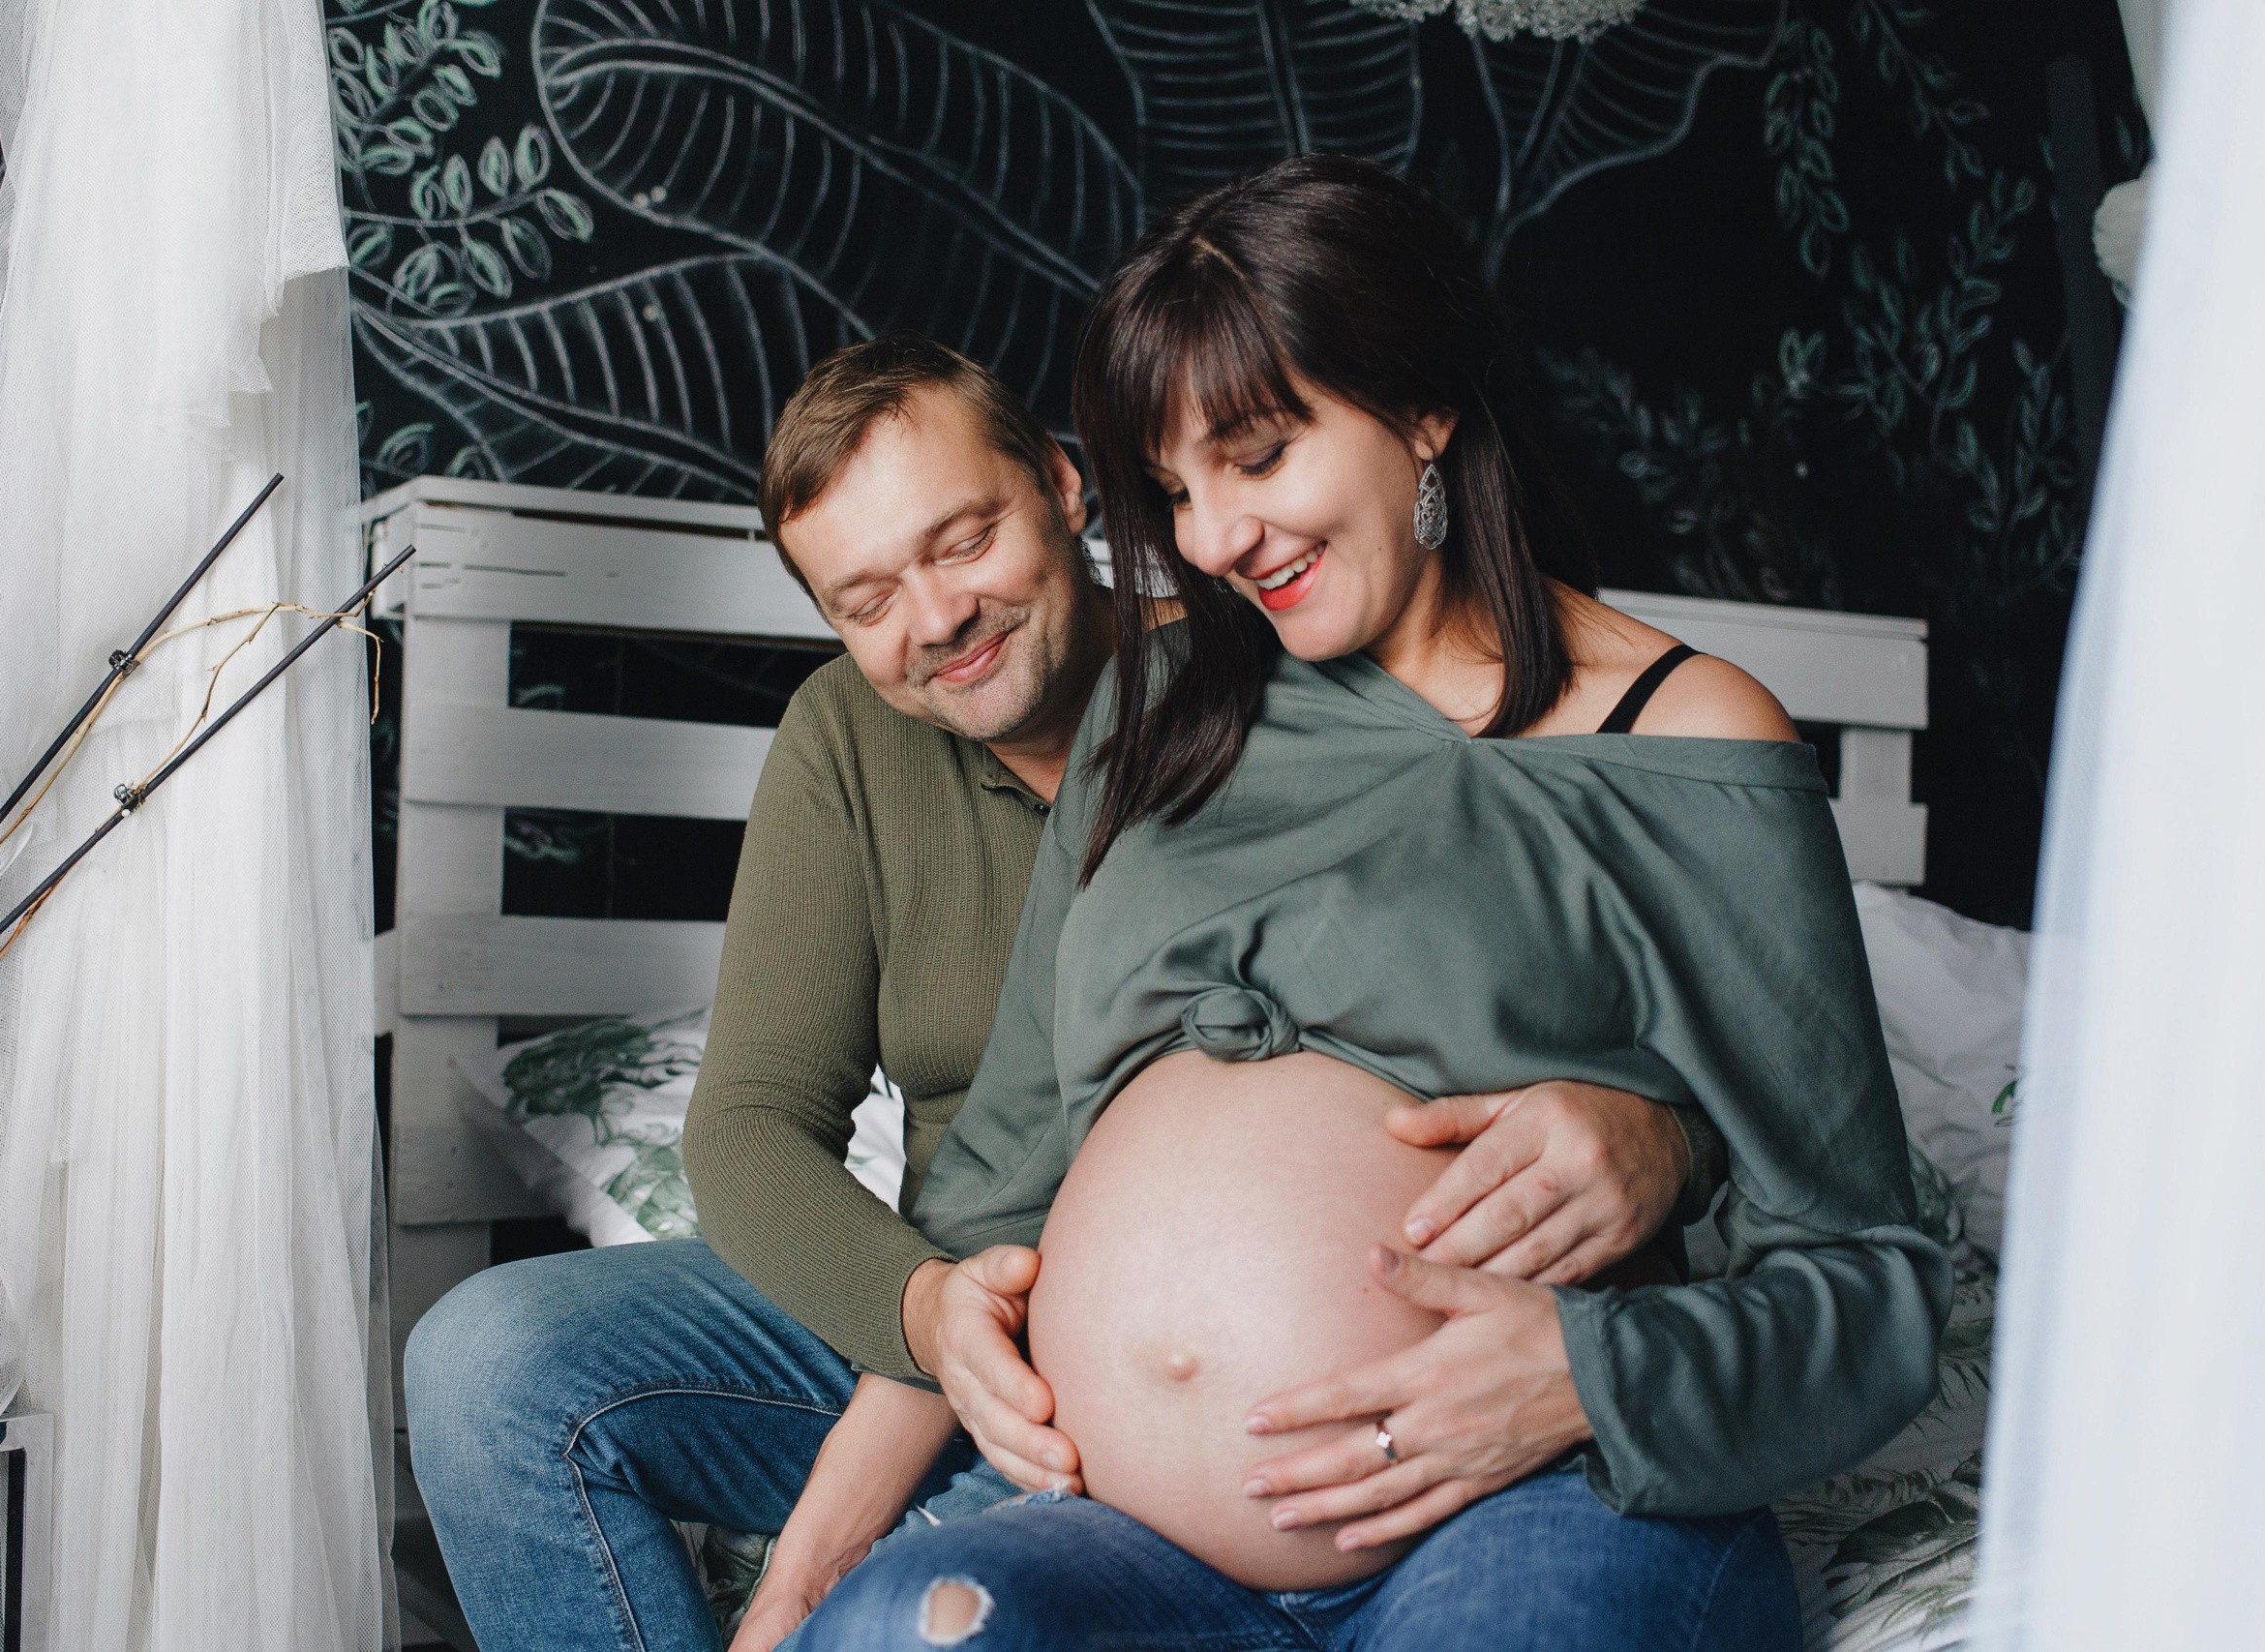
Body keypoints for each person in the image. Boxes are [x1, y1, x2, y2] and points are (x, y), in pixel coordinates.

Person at [757, 157, 1948, 1651]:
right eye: (1178, 492)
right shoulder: (1167, 707)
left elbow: (1869, 1284)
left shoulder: (1687, 742)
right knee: (891, 1636)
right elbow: (996, 1184)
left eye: (1258, 456)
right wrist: (808, 1572)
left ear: (1425, 405)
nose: (1212, 540)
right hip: (1130, 1541)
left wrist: (1596, 1373)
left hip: (1535, 1501)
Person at [402, 333, 1733, 1651]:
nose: (935, 621)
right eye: (865, 600)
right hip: (954, 1303)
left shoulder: (1278, 679)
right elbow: (748, 1123)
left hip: (1217, 1323)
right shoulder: (850, 739)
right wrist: (926, 1312)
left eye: (964, 541)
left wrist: (1664, 1134)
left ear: (1066, 483)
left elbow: (1637, 996)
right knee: (490, 1364)